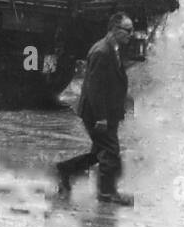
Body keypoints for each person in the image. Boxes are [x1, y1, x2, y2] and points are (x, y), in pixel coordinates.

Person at [55, 12, 134, 205]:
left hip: (107, 112)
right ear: (114, 30)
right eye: (128, 30)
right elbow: (94, 89)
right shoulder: (101, 52)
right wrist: (101, 117)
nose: (131, 34)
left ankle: (65, 169)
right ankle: (106, 193)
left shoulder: (113, 49)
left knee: (98, 153)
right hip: (97, 114)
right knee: (111, 150)